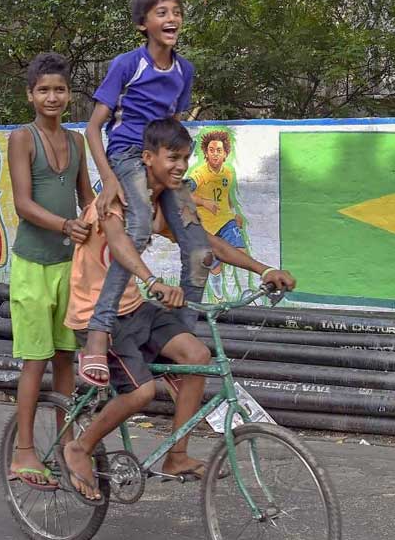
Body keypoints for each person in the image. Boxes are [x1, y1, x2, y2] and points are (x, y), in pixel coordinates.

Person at [61, 118, 295, 502]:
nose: (181, 167)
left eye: (185, 159)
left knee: (197, 356)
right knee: (142, 393)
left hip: (135, 306)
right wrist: (153, 281)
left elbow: (206, 242)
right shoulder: (117, 196)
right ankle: (79, 447)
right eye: (173, 158)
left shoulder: (160, 204)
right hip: (96, 316)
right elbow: (119, 243)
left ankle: (177, 455)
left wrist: (264, 269)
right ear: (147, 158)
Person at [81, 0, 211, 386]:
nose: (172, 19)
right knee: (137, 227)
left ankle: (181, 337)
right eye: (162, 12)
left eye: (176, 12)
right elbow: (93, 128)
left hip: (159, 159)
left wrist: (180, 178)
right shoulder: (128, 64)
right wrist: (108, 180)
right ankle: (99, 329)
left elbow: (174, 126)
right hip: (126, 155)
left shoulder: (184, 70)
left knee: (200, 249)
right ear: (143, 24)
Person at [6, 53, 95, 488]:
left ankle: (66, 444)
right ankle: (23, 452)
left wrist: (110, 223)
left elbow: (87, 198)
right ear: (30, 95)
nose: (52, 97)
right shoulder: (22, 138)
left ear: (69, 95)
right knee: (36, 360)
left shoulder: (77, 142)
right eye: (43, 90)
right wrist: (65, 225)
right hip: (33, 266)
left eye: (59, 89)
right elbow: (23, 204)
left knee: (65, 358)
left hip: (68, 266)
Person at [188, 129, 249, 300]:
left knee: (241, 254)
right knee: (215, 268)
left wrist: (234, 213)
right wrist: (204, 202)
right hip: (207, 228)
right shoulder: (199, 173)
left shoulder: (228, 172)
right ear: (206, 153)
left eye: (219, 150)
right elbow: (184, 192)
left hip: (226, 221)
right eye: (211, 150)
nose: (215, 154)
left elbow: (226, 196)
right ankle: (219, 298)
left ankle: (244, 292)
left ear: (225, 154)